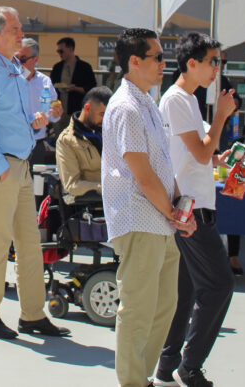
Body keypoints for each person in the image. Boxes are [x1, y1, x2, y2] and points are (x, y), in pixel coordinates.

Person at [101, 27, 195, 387]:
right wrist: (173, 211)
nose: (163, 63)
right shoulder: (126, 106)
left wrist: (178, 212)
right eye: (157, 57)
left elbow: (161, 168)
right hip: (140, 217)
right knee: (139, 309)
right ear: (134, 62)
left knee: (163, 307)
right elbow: (141, 173)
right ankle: (132, 381)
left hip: (159, 219)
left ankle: (140, 376)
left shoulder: (147, 104)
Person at [0, 6, 68, 340]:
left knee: (28, 242)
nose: (20, 33)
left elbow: (6, 120)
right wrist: (1, 170)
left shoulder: (11, 69)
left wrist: (34, 122)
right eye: (14, 28)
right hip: (4, 166)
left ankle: (32, 314)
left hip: (18, 165)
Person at [154, 32, 237, 387]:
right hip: (189, 209)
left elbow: (206, 154)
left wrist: (226, 158)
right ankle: (189, 365)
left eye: (218, 62)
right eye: (212, 61)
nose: (216, 69)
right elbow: (202, 152)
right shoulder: (177, 100)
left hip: (192, 205)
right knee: (218, 286)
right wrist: (220, 117)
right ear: (192, 63)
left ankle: (168, 364)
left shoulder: (186, 100)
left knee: (186, 291)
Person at [55, 86, 111, 200]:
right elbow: (72, 185)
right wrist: (105, 188)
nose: (105, 119)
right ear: (87, 107)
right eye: (102, 114)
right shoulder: (67, 140)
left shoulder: (109, 133)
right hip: (91, 204)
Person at [16, 37, 62, 167]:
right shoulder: (10, 81)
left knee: (35, 185)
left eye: (22, 59)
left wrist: (56, 113)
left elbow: (52, 115)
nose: (18, 63)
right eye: (15, 58)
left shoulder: (45, 82)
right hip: (14, 144)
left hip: (37, 144)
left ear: (35, 59)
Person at [50, 36, 99, 118]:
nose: (59, 54)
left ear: (71, 49)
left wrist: (75, 88)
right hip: (59, 112)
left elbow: (92, 89)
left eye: (61, 51)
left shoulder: (84, 67)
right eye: (58, 51)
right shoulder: (57, 67)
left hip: (77, 112)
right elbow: (51, 86)